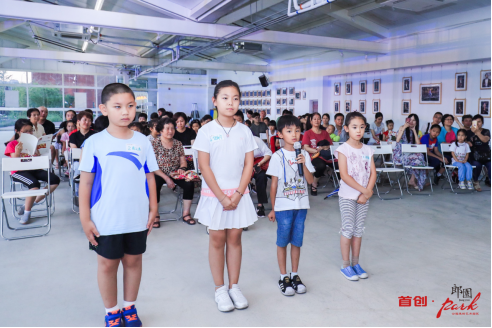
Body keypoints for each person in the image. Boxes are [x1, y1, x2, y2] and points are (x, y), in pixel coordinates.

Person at [78, 83, 159, 327]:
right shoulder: (94, 142)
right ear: (104, 109)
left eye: (131, 106)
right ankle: (112, 311)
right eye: (118, 106)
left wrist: (153, 208)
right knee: (107, 265)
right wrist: (85, 218)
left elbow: (149, 176)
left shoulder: (143, 142)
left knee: (134, 262)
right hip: (105, 218)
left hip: (136, 216)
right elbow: (86, 183)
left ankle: (129, 308)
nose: (126, 111)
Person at [192, 80, 258, 313]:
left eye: (235, 98)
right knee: (217, 240)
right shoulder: (206, 131)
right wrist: (221, 197)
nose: (231, 103)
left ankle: (234, 286)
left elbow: (249, 163)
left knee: (235, 240)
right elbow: (204, 166)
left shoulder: (244, 130)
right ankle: (220, 289)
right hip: (215, 195)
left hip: (239, 194)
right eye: (225, 98)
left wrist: (239, 194)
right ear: (215, 101)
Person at [266, 115, 315, 296]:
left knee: (297, 241)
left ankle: (295, 274)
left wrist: (305, 164)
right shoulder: (277, 157)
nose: (294, 134)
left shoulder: (304, 154)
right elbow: (273, 185)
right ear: (279, 134)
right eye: (289, 131)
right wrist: (272, 208)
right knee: (282, 240)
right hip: (283, 206)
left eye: (297, 130)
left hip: (301, 205)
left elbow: (310, 181)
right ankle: (283, 276)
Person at [334, 112, 376, 281]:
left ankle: (356, 263)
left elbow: (373, 172)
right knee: (348, 228)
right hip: (347, 196)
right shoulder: (343, 149)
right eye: (354, 127)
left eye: (361, 127)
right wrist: (364, 191)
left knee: (358, 230)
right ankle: (345, 265)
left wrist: (368, 192)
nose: (358, 130)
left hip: (363, 198)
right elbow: (344, 175)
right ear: (346, 129)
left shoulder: (368, 149)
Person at [4, 119, 60, 225]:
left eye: (31, 131)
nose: (29, 133)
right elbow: (14, 163)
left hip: (34, 169)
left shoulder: (34, 143)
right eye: (25, 131)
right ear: (17, 131)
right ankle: (27, 212)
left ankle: (30, 203)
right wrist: (17, 152)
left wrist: (38, 154)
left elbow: (38, 161)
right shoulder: (12, 144)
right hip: (19, 171)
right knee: (34, 184)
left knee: (55, 180)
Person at [152, 117, 197, 227]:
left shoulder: (178, 143)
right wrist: (167, 178)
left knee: (189, 184)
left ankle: (186, 214)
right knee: (154, 184)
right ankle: (155, 215)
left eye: (172, 128)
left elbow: (183, 161)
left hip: (175, 172)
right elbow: (152, 166)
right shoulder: (154, 144)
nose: (170, 131)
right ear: (161, 130)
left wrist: (182, 168)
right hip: (159, 173)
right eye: (167, 128)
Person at [394, 114, 428, 191]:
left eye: (414, 120)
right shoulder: (401, 128)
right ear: (407, 120)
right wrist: (405, 127)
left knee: (420, 157)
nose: (412, 122)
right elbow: (397, 140)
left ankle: (412, 180)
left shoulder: (415, 131)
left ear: (416, 122)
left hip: (410, 154)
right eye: (410, 120)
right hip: (400, 155)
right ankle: (413, 181)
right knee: (419, 159)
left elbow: (418, 144)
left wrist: (414, 131)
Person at [302, 113, 333, 196]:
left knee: (340, 164)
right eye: (314, 119)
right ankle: (314, 184)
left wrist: (323, 148)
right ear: (311, 121)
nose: (317, 120)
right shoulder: (307, 133)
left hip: (326, 155)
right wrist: (316, 151)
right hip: (314, 156)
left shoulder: (325, 133)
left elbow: (330, 145)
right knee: (321, 166)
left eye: (318, 119)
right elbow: (305, 147)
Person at [467, 114, 491, 192]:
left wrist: (477, 132)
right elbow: (462, 140)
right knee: (477, 165)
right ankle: (476, 181)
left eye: (479, 122)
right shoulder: (468, 132)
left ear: (482, 123)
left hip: (486, 155)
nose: (477, 124)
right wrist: (467, 141)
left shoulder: (486, 131)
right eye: (475, 122)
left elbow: (485, 140)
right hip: (474, 156)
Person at [252, 135, 272, 218]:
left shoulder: (256, 140)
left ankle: (260, 205)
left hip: (257, 164)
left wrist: (260, 163)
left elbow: (268, 153)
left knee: (262, 177)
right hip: (243, 166)